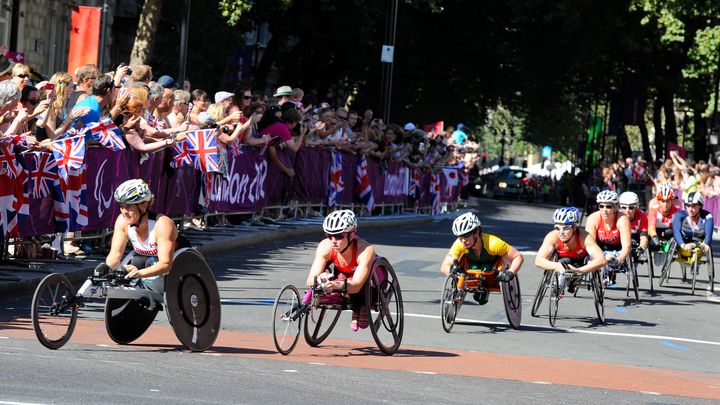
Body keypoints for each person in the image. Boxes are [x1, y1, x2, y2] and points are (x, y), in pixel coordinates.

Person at [99, 179, 189, 293]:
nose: (124, 211)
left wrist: (139, 274)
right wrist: (107, 269)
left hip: (177, 263)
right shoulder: (122, 221)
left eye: (129, 206)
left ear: (144, 205)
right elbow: (115, 255)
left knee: (149, 264)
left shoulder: (162, 224)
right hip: (145, 260)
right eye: (121, 206)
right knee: (133, 264)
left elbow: (165, 264)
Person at [303, 210, 376, 331]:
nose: (333, 240)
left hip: (365, 279)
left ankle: (360, 306)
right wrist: (320, 279)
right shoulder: (326, 246)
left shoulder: (365, 250)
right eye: (329, 235)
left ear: (351, 235)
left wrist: (336, 284)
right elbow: (310, 280)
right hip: (343, 274)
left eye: (338, 236)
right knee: (341, 277)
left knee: (364, 281)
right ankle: (354, 305)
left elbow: (357, 285)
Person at [439, 212, 524, 304]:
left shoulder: (493, 243)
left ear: (477, 232)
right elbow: (444, 266)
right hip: (471, 267)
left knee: (486, 270)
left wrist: (510, 273)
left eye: (467, 236)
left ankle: (484, 289)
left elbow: (518, 257)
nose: (463, 240)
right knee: (461, 266)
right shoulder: (459, 244)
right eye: (460, 237)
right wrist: (453, 271)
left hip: (491, 267)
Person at [535, 207, 606, 293]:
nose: (561, 232)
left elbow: (601, 259)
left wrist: (580, 270)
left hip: (581, 262)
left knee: (588, 262)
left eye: (565, 228)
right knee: (563, 261)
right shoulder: (552, 237)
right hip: (562, 261)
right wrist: (555, 265)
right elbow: (538, 260)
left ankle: (574, 279)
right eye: (557, 228)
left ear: (574, 227)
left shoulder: (584, 237)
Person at [584, 190, 631, 287]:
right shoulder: (593, 218)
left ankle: (611, 274)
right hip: (600, 247)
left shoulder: (622, 219)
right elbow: (589, 243)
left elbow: (627, 245)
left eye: (608, 206)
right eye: (601, 206)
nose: (604, 210)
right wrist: (597, 257)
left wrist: (620, 258)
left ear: (615, 208)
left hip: (617, 248)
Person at [673, 192, 713, 266]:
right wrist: (682, 245)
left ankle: (696, 262)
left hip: (699, 243)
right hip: (684, 242)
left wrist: (706, 244)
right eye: (688, 206)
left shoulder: (707, 216)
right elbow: (676, 231)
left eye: (693, 206)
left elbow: (709, 233)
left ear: (700, 206)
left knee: (707, 245)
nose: (690, 209)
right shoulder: (680, 215)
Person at [648, 182, 681, 247]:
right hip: (656, 232)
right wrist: (654, 237)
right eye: (663, 201)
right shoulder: (653, 209)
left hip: (670, 233)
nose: (665, 205)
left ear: (672, 200)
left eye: (668, 201)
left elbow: (679, 229)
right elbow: (651, 227)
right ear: (658, 201)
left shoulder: (677, 210)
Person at [619, 191, 649, 256]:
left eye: (631, 207)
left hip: (636, 237)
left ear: (636, 207)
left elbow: (644, 237)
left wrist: (641, 247)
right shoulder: (617, 215)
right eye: (624, 207)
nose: (627, 211)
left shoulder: (642, 215)